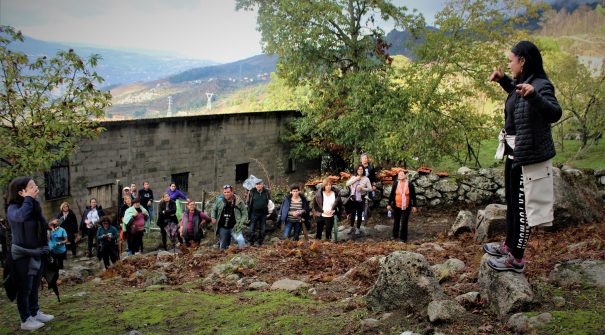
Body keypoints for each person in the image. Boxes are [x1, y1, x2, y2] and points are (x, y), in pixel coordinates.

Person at [484, 40, 562, 273]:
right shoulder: (523, 83)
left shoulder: (540, 85)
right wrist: (503, 81)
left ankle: (516, 258)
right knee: (512, 203)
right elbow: (518, 94)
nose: (509, 64)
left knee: (522, 207)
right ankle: (509, 246)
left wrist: (534, 96)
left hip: (528, 156)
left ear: (523, 61)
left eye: (511, 60)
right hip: (514, 153)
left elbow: (554, 113)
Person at [6, 177, 55, 331]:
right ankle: (25, 319)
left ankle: (35, 312)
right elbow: (21, 217)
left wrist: (46, 230)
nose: (36, 188)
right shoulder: (12, 208)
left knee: (34, 286)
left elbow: (41, 221)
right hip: (22, 255)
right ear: (21, 192)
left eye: (35, 185)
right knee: (25, 288)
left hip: (37, 252)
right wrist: (29, 199)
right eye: (32, 186)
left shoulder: (33, 204)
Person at [211, 185, 247, 249]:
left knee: (241, 240)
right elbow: (214, 209)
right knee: (223, 247)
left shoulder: (239, 201)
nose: (226, 194)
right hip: (223, 228)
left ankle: (242, 256)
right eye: (225, 192)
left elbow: (244, 213)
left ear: (232, 192)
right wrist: (213, 217)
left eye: (228, 192)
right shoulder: (219, 200)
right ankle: (224, 258)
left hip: (235, 227)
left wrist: (241, 223)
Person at [387, 170, 418, 242]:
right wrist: (389, 204)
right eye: (399, 175)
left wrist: (414, 206)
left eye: (402, 174)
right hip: (396, 205)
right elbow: (392, 194)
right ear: (398, 177)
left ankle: (403, 238)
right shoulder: (395, 183)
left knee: (404, 222)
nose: (400, 176)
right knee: (396, 221)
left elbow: (413, 196)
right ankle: (395, 235)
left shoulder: (410, 184)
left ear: (405, 176)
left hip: (406, 206)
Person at [346, 165, 372, 236]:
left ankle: (358, 228)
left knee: (360, 214)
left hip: (361, 198)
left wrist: (362, 188)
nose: (360, 170)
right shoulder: (354, 177)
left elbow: (370, 189)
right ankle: (351, 227)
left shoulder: (366, 179)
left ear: (363, 170)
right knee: (353, 214)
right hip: (353, 198)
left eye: (361, 169)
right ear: (356, 170)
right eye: (359, 169)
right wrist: (356, 179)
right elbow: (347, 184)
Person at [246, 178, 271, 246]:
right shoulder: (251, 191)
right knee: (251, 229)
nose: (258, 186)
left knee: (262, 229)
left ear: (263, 185)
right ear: (255, 185)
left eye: (260, 184)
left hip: (263, 213)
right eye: (257, 184)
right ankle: (251, 242)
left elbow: (270, 202)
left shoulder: (266, 192)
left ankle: (260, 242)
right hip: (254, 213)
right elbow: (248, 202)